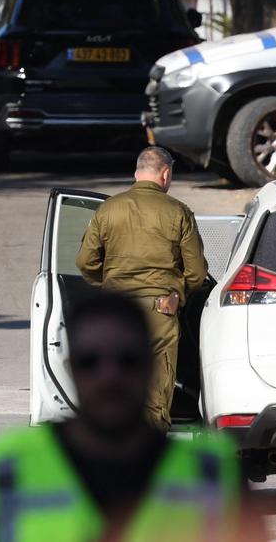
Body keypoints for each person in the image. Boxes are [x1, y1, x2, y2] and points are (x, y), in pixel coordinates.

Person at [0, 291, 253, 541]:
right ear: (71, 369)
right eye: (91, 362)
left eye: (127, 360)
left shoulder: (214, 476)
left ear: (152, 366)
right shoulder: (7, 472)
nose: (109, 377)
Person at [75, 147, 207, 431]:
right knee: (155, 392)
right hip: (160, 311)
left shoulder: (108, 209)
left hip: (116, 312)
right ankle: (147, 457)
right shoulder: (178, 212)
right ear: (166, 173)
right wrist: (177, 295)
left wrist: (108, 286)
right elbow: (197, 272)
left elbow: (85, 262)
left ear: (137, 173)